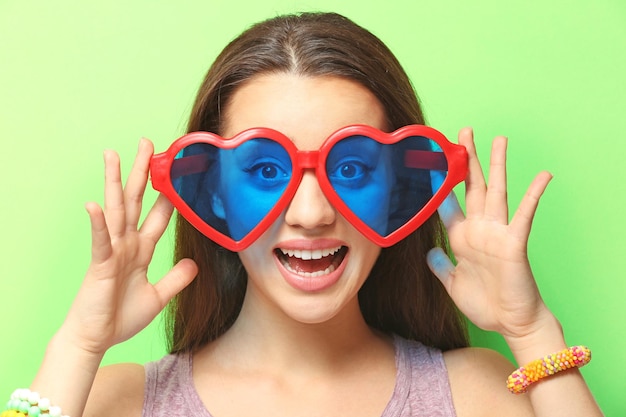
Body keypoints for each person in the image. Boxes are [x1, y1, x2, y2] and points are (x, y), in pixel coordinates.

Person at [11, 11, 602, 417]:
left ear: (399, 188)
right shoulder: (114, 400)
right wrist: (78, 346)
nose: (312, 212)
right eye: (266, 171)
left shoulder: (471, 392)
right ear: (212, 194)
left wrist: (531, 332)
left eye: (351, 169)